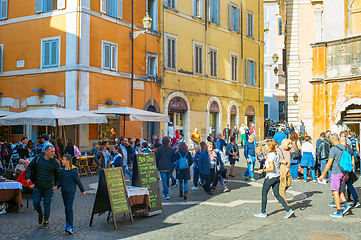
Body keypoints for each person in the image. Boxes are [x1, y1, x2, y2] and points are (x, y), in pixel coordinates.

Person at [254, 139, 294, 219]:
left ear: (269, 146)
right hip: (277, 176)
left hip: (270, 177)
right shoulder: (275, 154)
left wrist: (263, 170)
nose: (265, 146)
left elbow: (271, 168)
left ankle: (263, 212)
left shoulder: (271, 155)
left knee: (264, 193)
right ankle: (288, 209)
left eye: (266, 145)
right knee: (277, 194)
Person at [25, 145, 60, 228]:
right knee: (35, 203)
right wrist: (28, 177)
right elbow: (30, 167)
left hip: (48, 187)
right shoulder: (38, 159)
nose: (53, 153)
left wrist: (56, 185)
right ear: (46, 152)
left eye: (54, 151)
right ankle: (41, 213)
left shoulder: (55, 163)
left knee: (47, 204)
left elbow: (58, 176)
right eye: (51, 151)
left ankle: (46, 220)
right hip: (38, 185)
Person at [319, 134, 352, 217]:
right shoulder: (344, 148)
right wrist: (347, 174)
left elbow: (329, 163)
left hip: (336, 172)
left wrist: (322, 175)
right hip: (343, 172)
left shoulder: (333, 149)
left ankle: (339, 211)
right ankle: (346, 204)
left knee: (335, 191)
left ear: (332, 140)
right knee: (339, 189)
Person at [54, 154, 85, 234]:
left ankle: (70, 225)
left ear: (68, 161)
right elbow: (61, 181)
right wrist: (56, 186)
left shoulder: (73, 170)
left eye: (63, 160)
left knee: (68, 208)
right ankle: (68, 224)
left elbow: (78, 181)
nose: (62, 161)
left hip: (71, 191)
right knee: (66, 208)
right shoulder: (62, 170)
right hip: (64, 191)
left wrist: (83, 190)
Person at [340, 137, 360, 208]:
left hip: (342, 170)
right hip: (349, 169)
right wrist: (352, 169)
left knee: (340, 187)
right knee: (350, 186)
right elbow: (353, 160)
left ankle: (342, 202)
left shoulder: (339, 149)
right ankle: (356, 200)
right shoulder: (350, 149)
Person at [277, 139, 292, 205]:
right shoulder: (278, 150)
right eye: (287, 144)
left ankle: (278, 194)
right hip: (282, 168)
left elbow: (295, 150)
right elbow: (276, 159)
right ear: (283, 143)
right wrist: (281, 160)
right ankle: (284, 201)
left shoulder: (288, 149)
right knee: (282, 185)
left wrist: (291, 142)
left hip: (288, 169)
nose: (288, 145)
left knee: (288, 183)